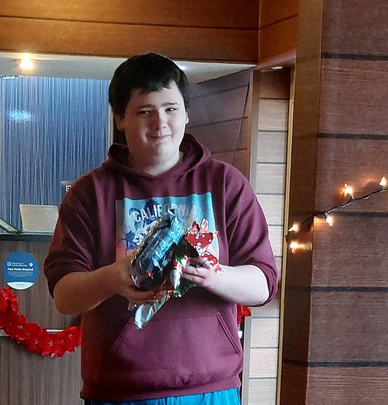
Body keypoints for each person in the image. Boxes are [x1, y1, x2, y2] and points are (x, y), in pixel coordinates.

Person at [44, 53, 279, 405]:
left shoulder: (225, 183)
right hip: (118, 391)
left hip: (211, 389)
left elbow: (264, 284)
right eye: (145, 111)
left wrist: (214, 275)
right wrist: (111, 279)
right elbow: (64, 295)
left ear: (186, 114)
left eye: (171, 109)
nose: (160, 123)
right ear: (120, 118)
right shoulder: (90, 192)